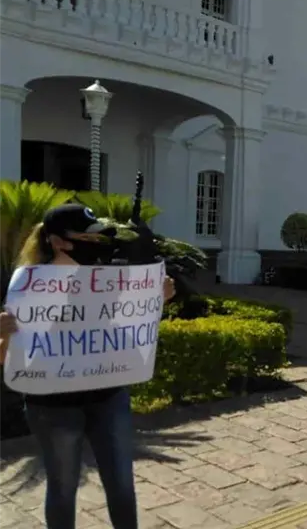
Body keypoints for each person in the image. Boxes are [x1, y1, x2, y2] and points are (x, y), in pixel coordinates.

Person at [0, 204, 176, 529]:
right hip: (52, 409)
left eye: (99, 238)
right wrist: (4, 335)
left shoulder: (107, 280)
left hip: (108, 399)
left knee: (122, 485)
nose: (97, 245)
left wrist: (156, 300)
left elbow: (128, 330)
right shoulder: (29, 288)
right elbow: (7, 359)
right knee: (63, 490)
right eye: (88, 238)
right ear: (59, 242)